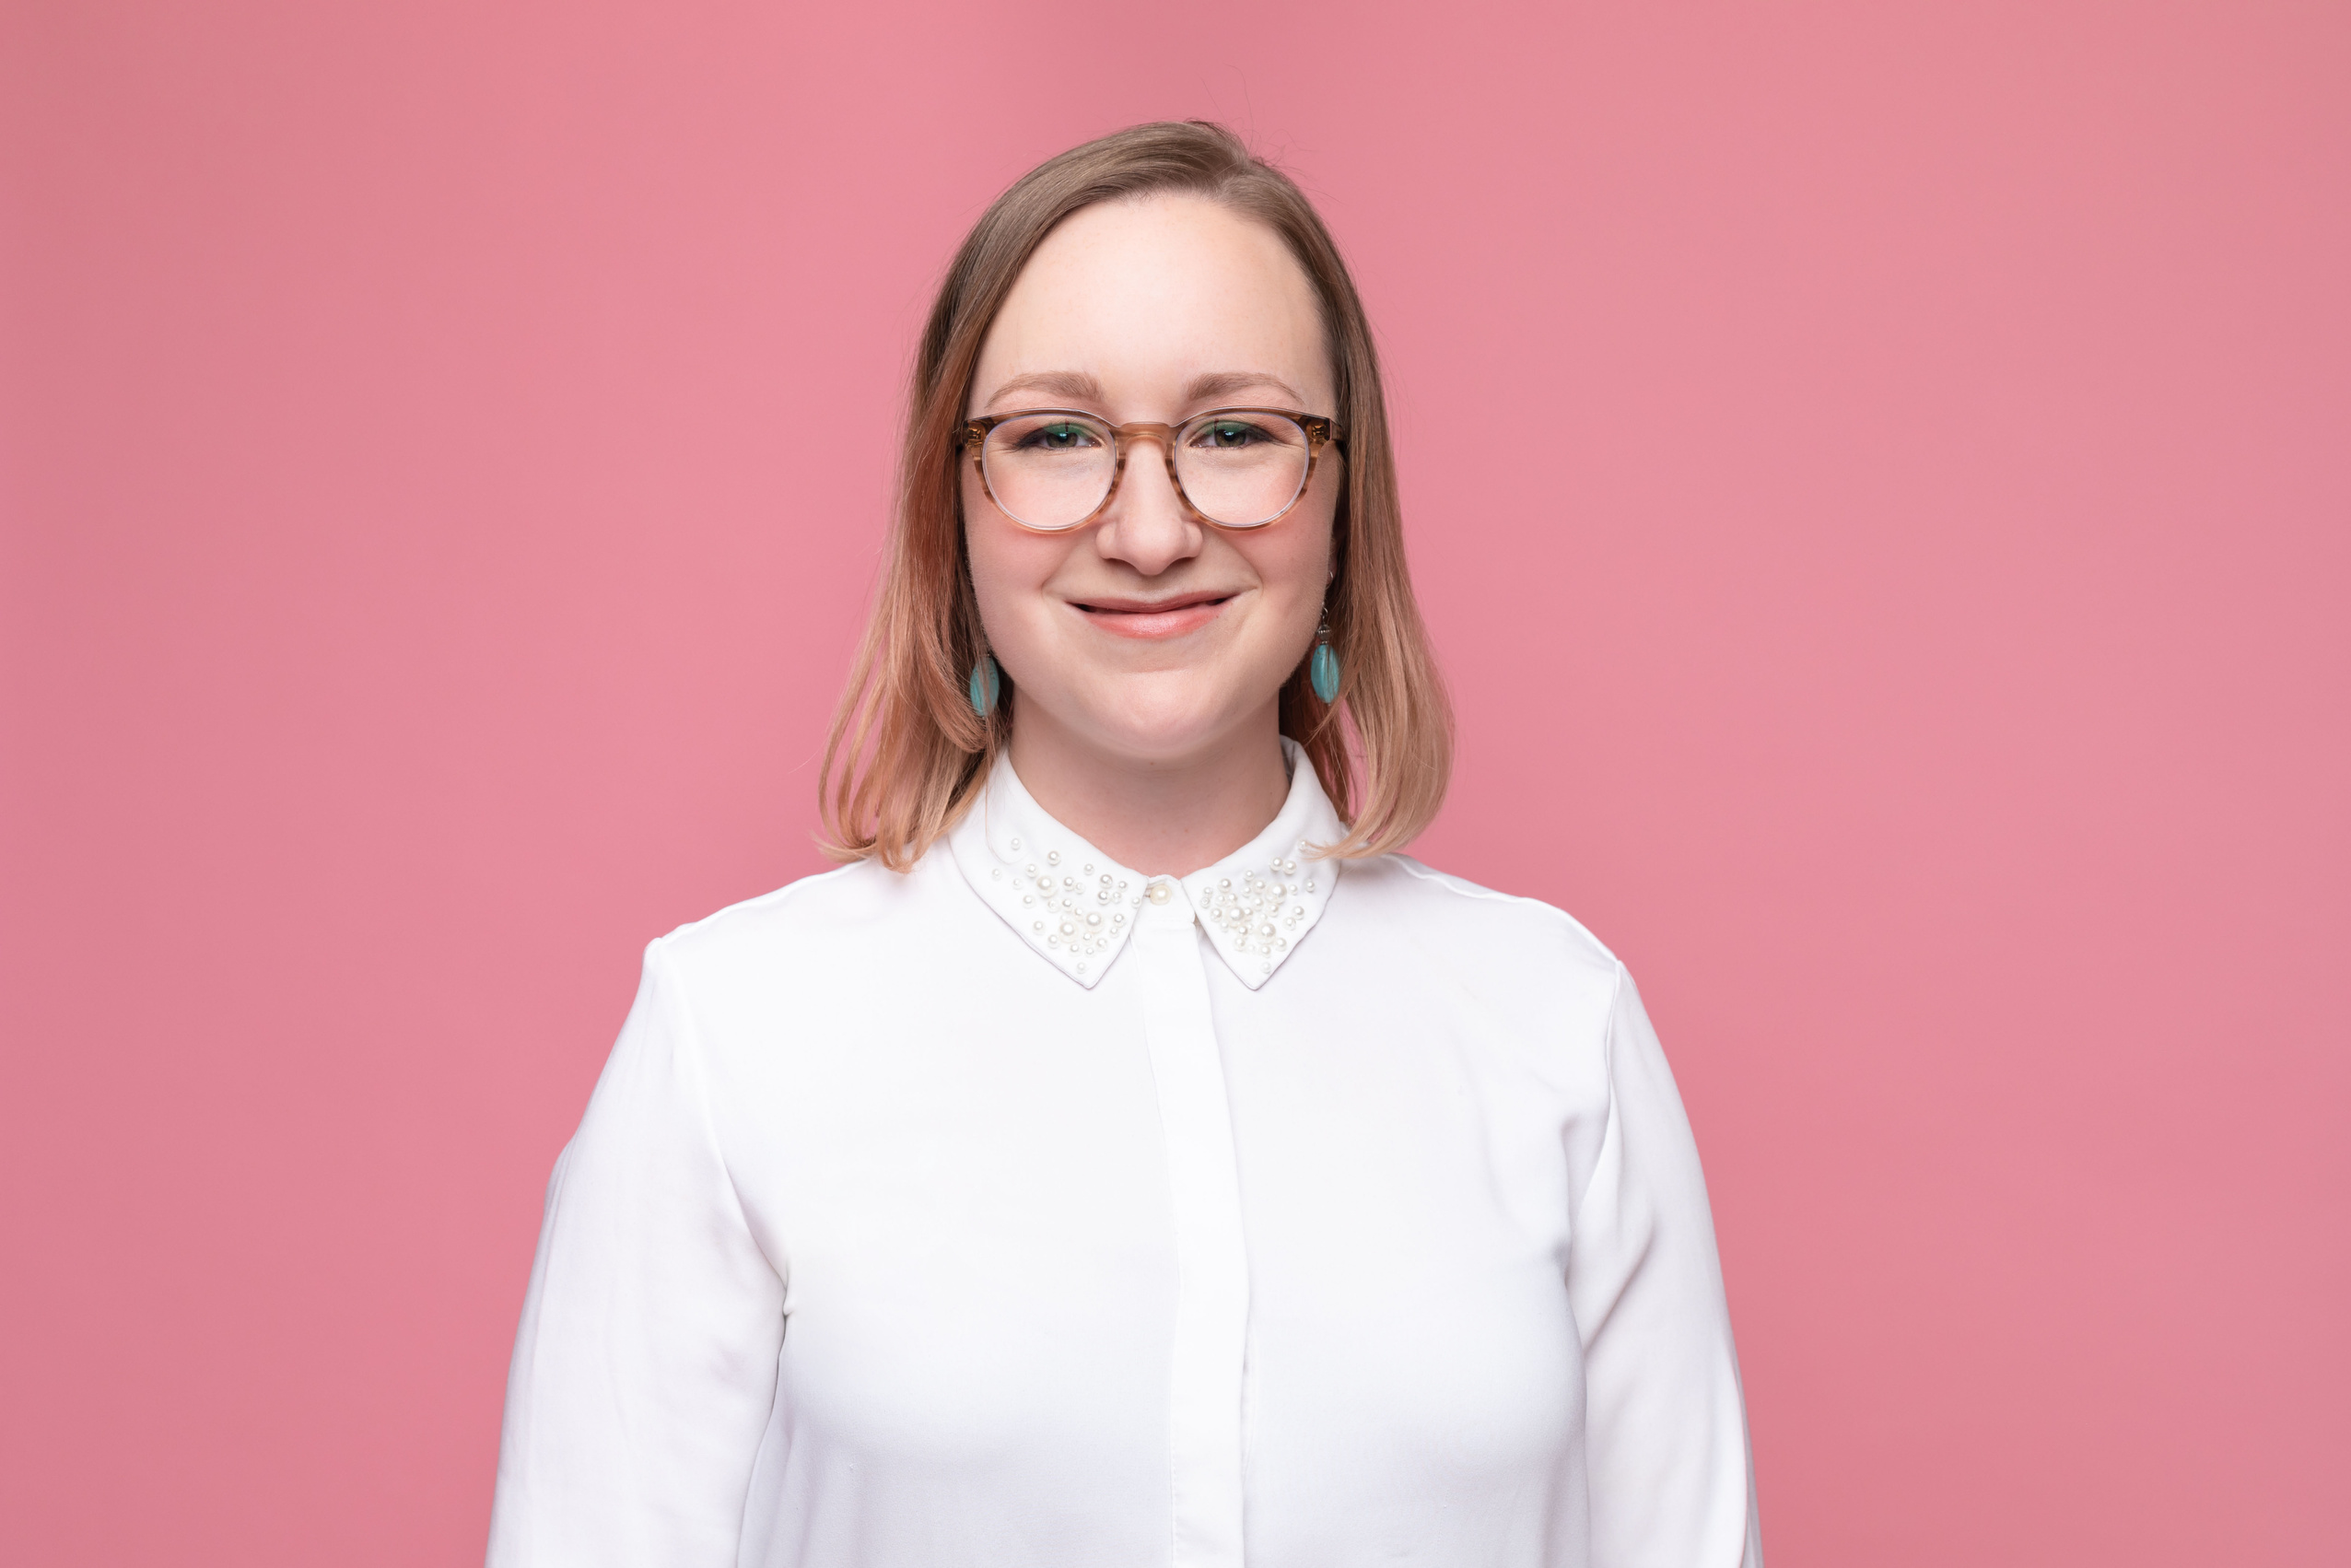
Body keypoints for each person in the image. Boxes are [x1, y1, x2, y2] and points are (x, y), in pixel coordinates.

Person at [486, 121, 1762, 1568]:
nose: (1148, 530)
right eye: (1053, 435)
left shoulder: (1557, 1026)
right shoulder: (732, 1037)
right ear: (947, 508)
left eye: (1235, 432)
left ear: (1345, 501)